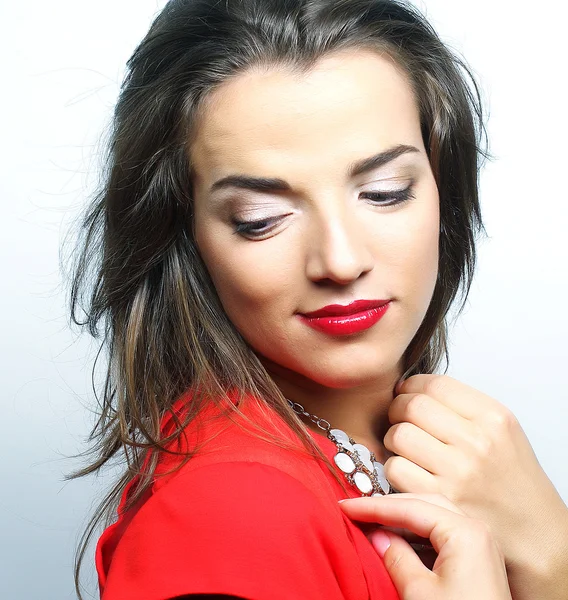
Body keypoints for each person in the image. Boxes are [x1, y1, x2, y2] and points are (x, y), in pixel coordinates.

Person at [65, 0, 568, 599]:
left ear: (442, 186)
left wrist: (548, 552)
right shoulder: (230, 515)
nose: (340, 260)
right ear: (184, 235)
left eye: (384, 193)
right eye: (261, 218)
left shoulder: (458, 458)